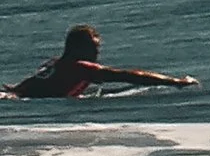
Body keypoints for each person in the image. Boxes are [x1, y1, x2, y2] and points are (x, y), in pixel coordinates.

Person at [4, 25, 199, 100]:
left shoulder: (54, 64)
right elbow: (129, 76)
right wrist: (175, 82)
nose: (97, 53)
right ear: (79, 48)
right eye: (94, 48)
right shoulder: (80, 68)